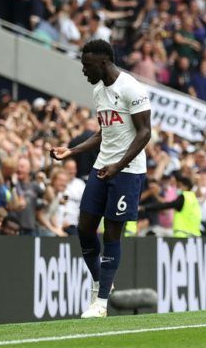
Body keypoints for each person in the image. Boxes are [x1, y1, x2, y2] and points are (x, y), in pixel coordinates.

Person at [50, 39, 151, 319]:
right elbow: (103, 132)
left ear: (103, 63)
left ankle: (101, 302)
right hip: (102, 168)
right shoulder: (98, 90)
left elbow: (145, 133)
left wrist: (118, 166)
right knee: (84, 228)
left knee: (111, 234)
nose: (84, 71)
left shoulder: (131, 89)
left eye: (87, 65)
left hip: (127, 172)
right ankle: (101, 282)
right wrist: (71, 151)